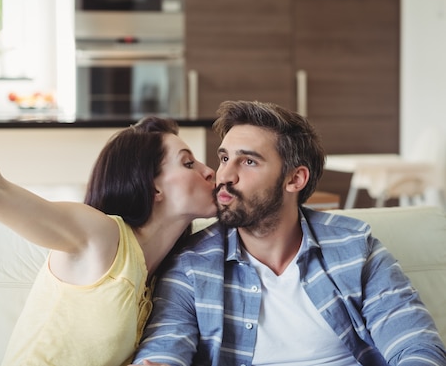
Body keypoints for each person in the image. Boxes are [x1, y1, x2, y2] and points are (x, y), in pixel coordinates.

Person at [0, 38, 217, 366]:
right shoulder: (100, 236)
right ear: (153, 187)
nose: (210, 171)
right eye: (188, 163)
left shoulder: (162, 268)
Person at [132, 100, 446, 366]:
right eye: (225, 158)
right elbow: (166, 342)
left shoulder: (355, 248)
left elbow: (415, 344)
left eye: (249, 161)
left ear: (295, 179)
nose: (224, 175)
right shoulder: (191, 264)